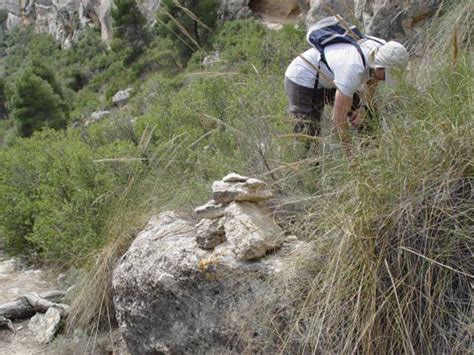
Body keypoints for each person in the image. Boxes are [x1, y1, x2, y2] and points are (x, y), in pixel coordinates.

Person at [285, 36, 409, 159]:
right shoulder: (352, 70)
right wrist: (350, 156)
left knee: (368, 115)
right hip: (303, 76)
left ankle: (372, 155)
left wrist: (363, 107)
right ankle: (309, 171)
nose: (386, 80)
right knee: (308, 134)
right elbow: (338, 119)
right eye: (387, 75)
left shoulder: (382, 49)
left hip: (334, 73)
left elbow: (373, 79)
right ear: (379, 66)